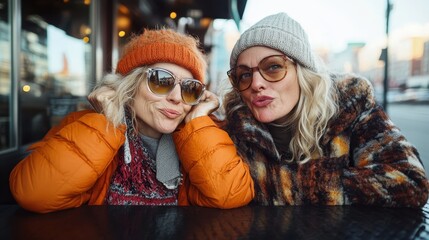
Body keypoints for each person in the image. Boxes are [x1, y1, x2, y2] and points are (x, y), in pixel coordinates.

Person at [9, 28, 254, 213]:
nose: (177, 98)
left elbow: (230, 195)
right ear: (130, 84)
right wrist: (106, 123)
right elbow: (35, 194)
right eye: (161, 80)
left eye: (190, 89)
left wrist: (198, 121)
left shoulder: (202, 136)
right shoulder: (86, 127)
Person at [223, 12, 429, 207]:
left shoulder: (349, 107)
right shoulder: (234, 125)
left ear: (302, 72)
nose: (256, 83)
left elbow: (409, 181)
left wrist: (277, 184)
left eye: (273, 67)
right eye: (244, 75)